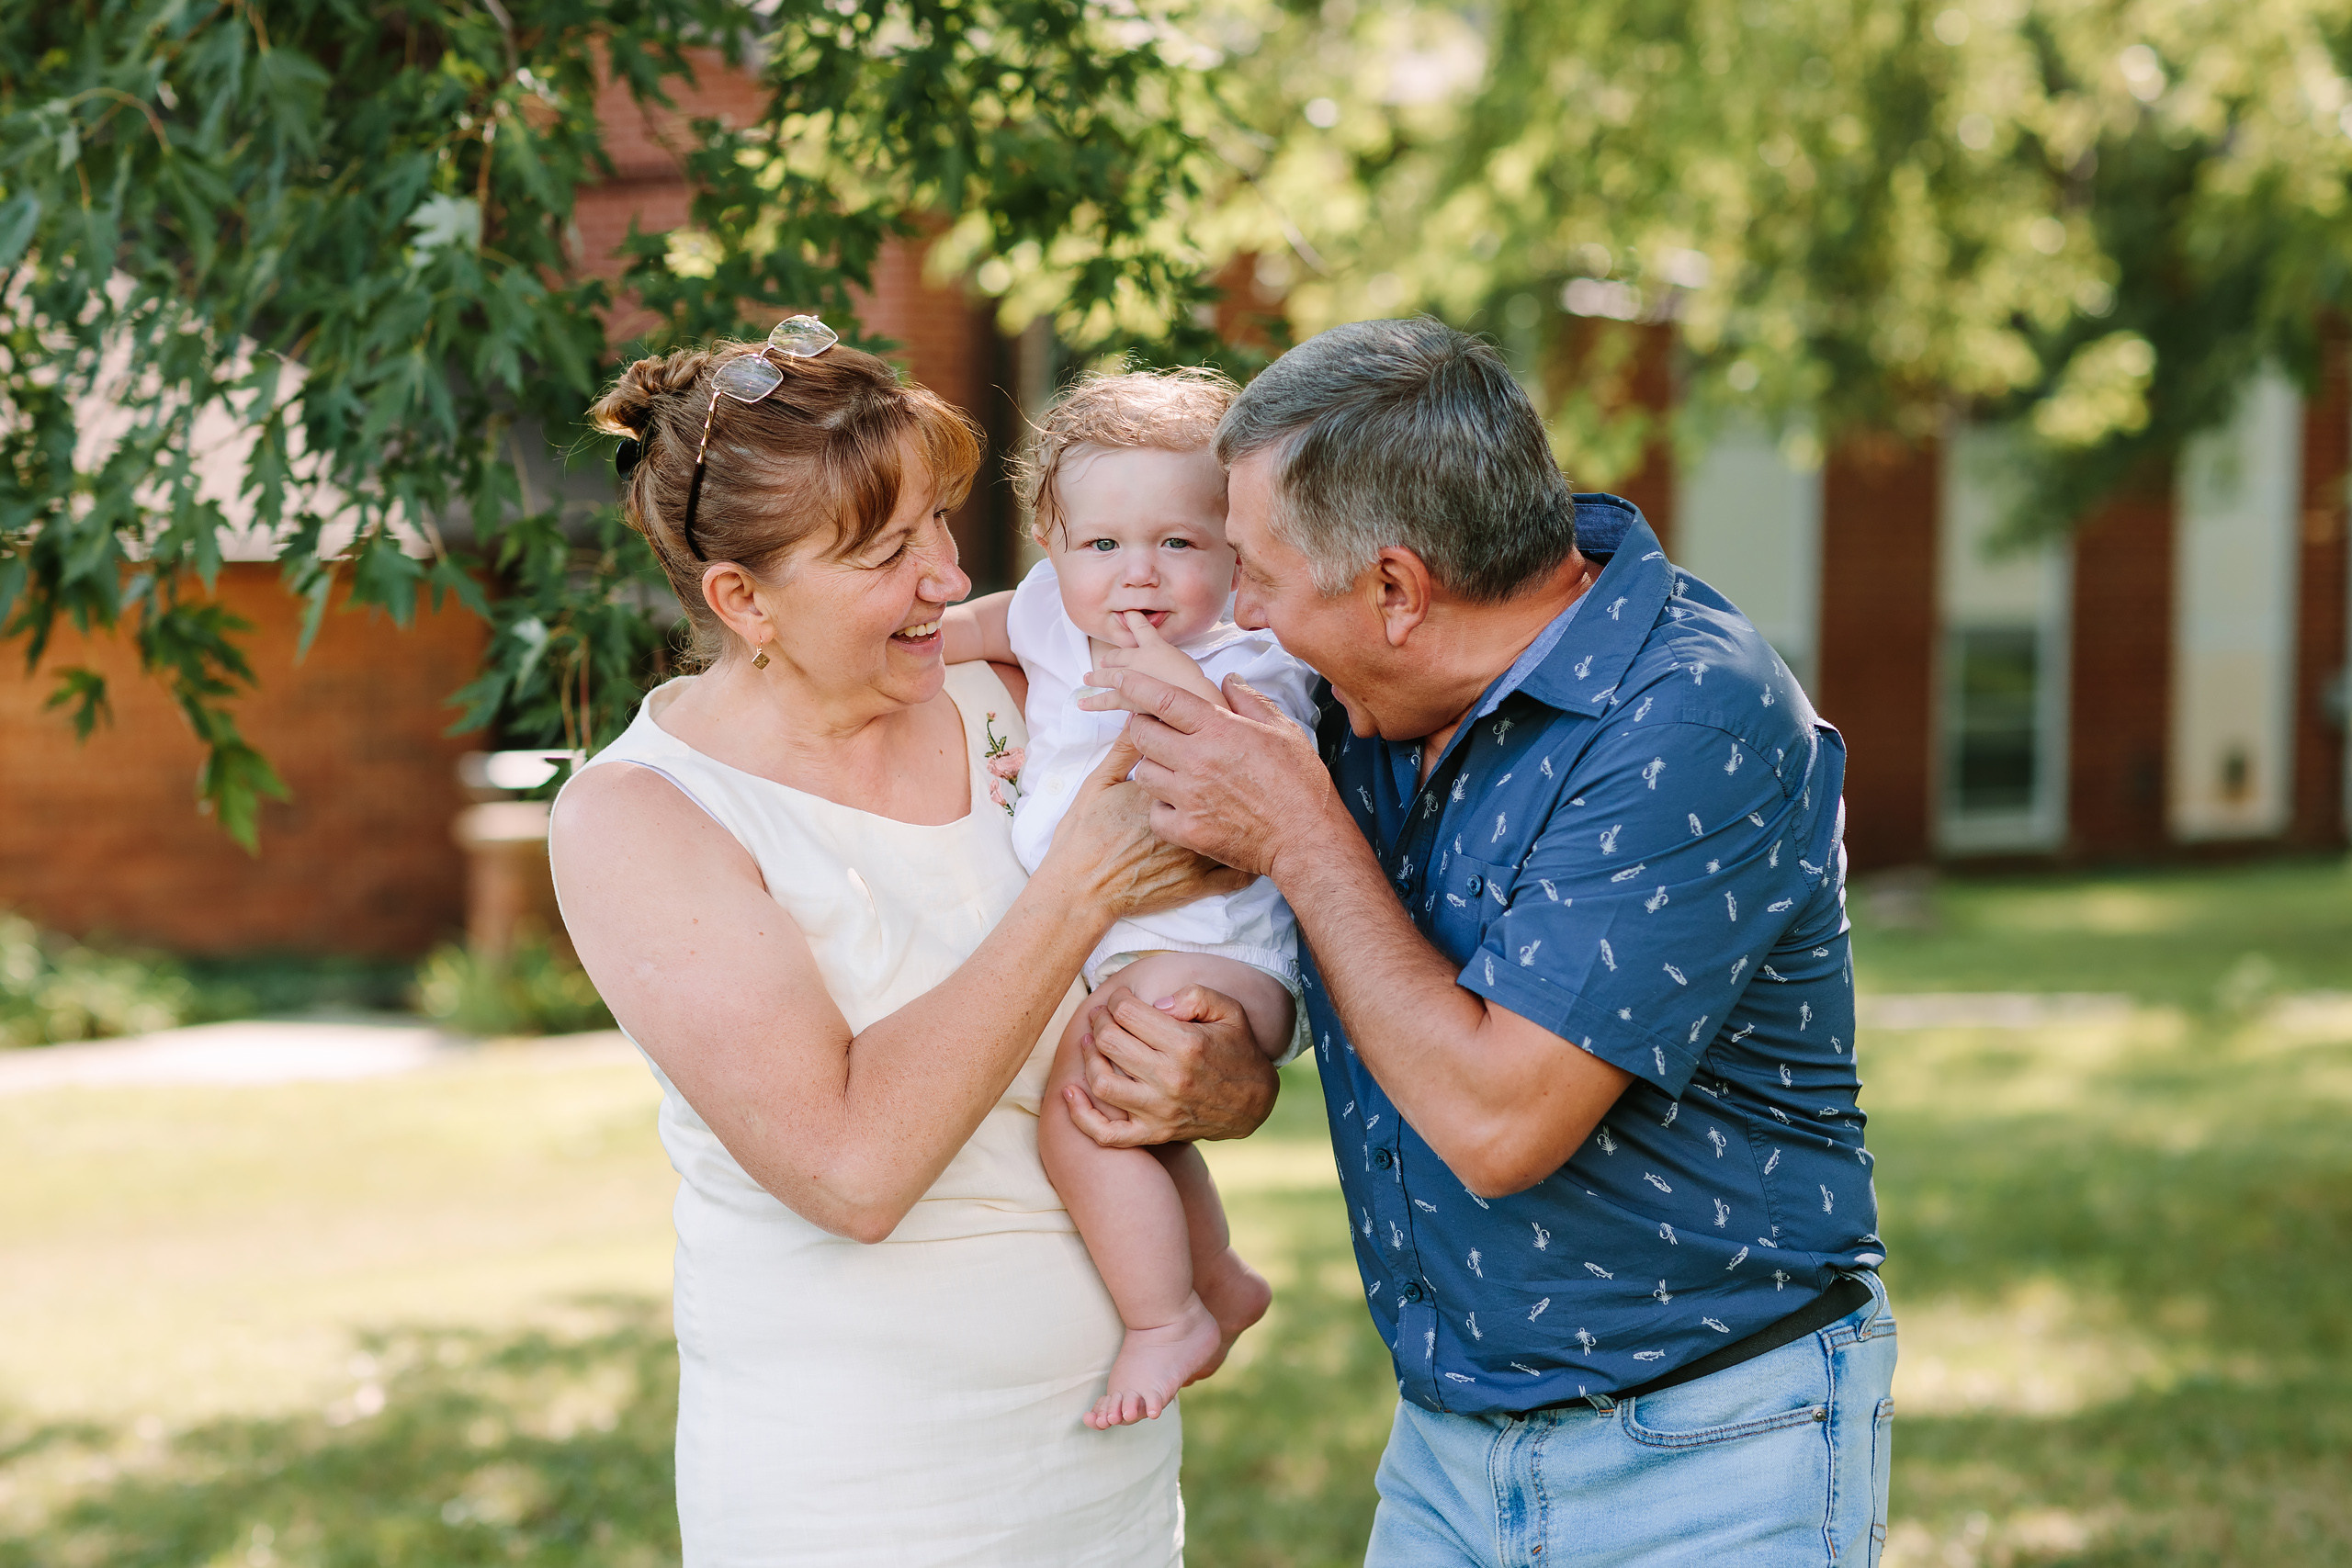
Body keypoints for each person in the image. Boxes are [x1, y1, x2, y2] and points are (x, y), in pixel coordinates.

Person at [1071, 317, 1898, 1565]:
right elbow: (1384, 995)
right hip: (1447, 1446)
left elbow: (1501, 1119)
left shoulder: (1690, 714)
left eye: (1261, 576)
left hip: (1712, 1443)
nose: (1237, 611)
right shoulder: (1363, 699)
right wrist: (1235, 1072)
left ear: (1399, 588)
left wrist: (1300, 831)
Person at [548, 319, 1243, 1566]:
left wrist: (1227, 1073)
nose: (941, 574)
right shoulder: (642, 813)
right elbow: (852, 1171)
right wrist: (1075, 887)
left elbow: (1200, 959)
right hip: (861, 1487)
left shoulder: (1024, 688)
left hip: (1103, 1468)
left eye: (934, 521)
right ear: (742, 598)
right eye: (882, 552)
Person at [940, 369, 1319, 1429]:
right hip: (1140, 948)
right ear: (1053, 549)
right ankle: (1222, 1280)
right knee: (1142, 1120)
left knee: (1083, 1115)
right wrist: (912, 640)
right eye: (1100, 546)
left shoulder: (1250, 652)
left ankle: (1165, 1320)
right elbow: (971, 629)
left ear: (1235, 552)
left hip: (1223, 946)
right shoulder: (1053, 623)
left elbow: (1237, 755)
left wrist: (1163, 671)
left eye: (1179, 544)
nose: (1136, 574)